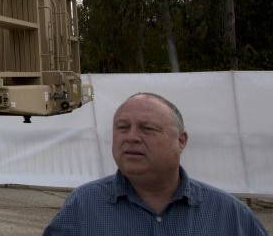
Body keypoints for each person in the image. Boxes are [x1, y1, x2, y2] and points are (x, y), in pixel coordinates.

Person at [45, 92, 268, 235]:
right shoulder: (83, 206)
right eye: (122, 128)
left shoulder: (228, 215)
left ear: (181, 141)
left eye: (147, 129)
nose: (131, 137)